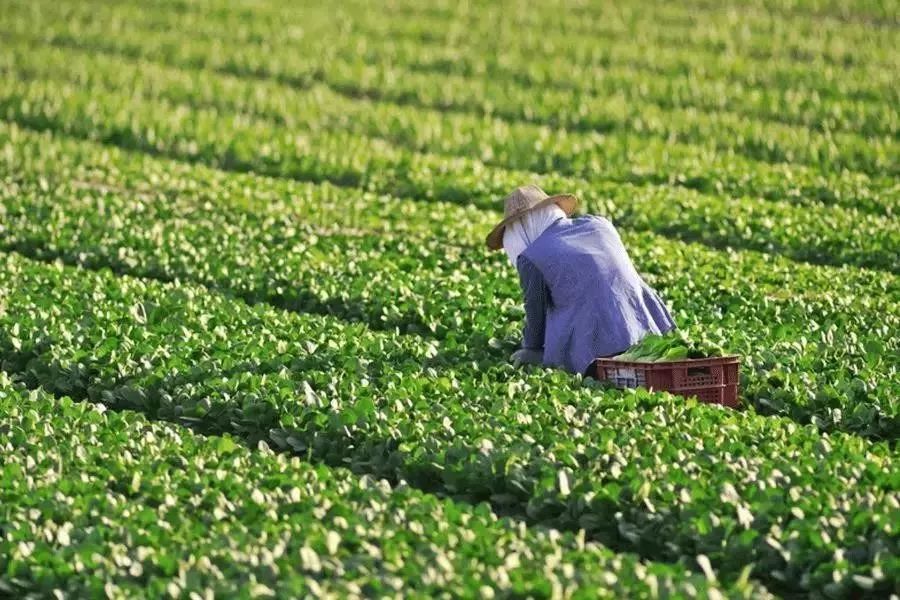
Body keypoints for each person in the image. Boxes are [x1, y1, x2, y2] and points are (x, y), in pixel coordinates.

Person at [486, 185, 676, 376]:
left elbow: (536, 318)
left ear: (521, 228)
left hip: (596, 350)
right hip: (650, 332)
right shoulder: (599, 224)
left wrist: (529, 348)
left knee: (528, 355)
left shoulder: (532, 258)